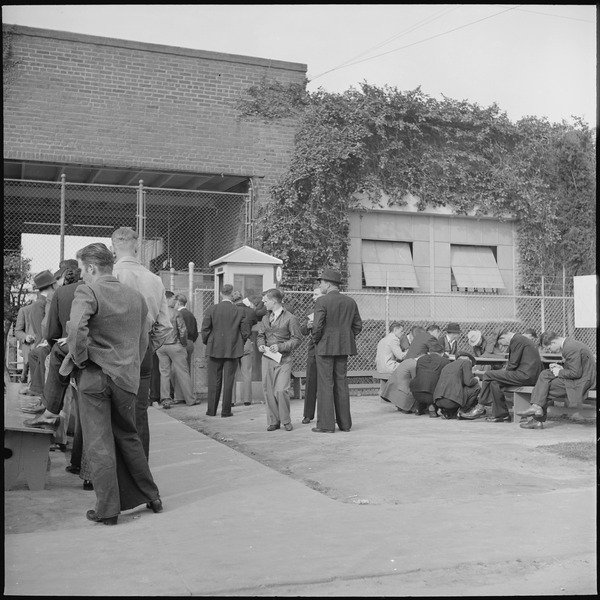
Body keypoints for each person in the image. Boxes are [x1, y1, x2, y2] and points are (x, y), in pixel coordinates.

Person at [64, 242, 162, 525]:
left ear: (92, 268)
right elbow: (143, 341)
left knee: (99, 444)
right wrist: (128, 366)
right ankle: (151, 495)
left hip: (95, 376)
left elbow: (76, 329)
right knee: (129, 437)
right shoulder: (136, 297)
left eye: (82, 269)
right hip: (125, 378)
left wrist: (81, 361)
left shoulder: (89, 291)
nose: (81, 275)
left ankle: (107, 510)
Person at [111, 226, 172, 459]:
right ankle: (140, 472)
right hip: (143, 346)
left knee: (111, 412)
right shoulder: (155, 280)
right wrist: (147, 344)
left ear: (113, 246)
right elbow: (165, 326)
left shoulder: (109, 277)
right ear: (136, 246)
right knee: (139, 413)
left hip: (113, 348)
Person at [311, 268, 363, 433]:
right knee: (341, 383)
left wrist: (316, 340)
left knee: (326, 384)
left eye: (321, 282)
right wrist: (345, 338)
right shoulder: (350, 302)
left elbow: (317, 326)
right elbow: (357, 326)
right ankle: (345, 424)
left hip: (325, 347)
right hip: (343, 347)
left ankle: (326, 425)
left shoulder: (322, 301)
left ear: (327, 283)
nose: (320, 285)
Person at [518, 331, 596, 430]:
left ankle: (536, 415)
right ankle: (536, 408)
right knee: (545, 374)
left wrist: (559, 372)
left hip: (583, 381)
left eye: (549, 348)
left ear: (554, 342)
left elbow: (576, 373)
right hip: (581, 377)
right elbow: (576, 368)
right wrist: (560, 368)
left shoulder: (570, 348)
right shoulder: (570, 344)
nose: (550, 351)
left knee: (544, 388)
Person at [459, 330, 542, 422]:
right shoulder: (519, 339)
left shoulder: (517, 340)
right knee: (494, 383)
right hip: (527, 374)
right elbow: (514, 364)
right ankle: (502, 415)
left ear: (503, 337)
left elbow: (513, 364)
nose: (501, 346)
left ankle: (480, 406)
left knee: (488, 374)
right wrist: (501, 373)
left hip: (526, 375)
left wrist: (501, 372)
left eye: (500, 343)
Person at [201, 283, 250, 417]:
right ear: (232, 293)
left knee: (213, 380)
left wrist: (208, 342)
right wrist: (239, 342)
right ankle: (226, 410)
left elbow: (205, 329)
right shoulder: (240, 311)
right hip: (232, 348)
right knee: (229, 380)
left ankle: (211, 410)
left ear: (221, 293)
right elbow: (245, 332)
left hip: (214, 348)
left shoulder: (212, 309)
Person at [257, 288, 302, 431]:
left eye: (265, 301)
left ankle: (286, 420)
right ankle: (273, 421)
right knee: (268, 390)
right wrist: (260, 345)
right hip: (267, 357)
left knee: (281, 389)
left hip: (284, 358)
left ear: (273, 301)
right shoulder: (265, 318)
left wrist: (281, 346)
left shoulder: (290, 318)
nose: (263, 303)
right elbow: (260, 335)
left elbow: (297, 339)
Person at [18, 269, 58, 400]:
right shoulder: (40, 305)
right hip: (43, 346)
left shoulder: (42, 303)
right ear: (52, 285)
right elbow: (42, 333)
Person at [156, 293, 196, 409]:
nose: (175, 301)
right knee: (183, 372)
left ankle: (165, 400)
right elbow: (183, 331)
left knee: (164, 373)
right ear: (168, 299)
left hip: (161, 346)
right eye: (173, 299)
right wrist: (183, 344)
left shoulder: (158, 313)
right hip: (175, 345)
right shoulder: (176, 313)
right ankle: (190, 399)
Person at [409, 341, 451, 417]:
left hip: (416, 393)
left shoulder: (420, 359)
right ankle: (432, 406)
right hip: (432, 395)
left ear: (429, 352)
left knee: (424, 381)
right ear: (442, 353)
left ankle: (419, 407)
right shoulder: (445, 361)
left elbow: (418, 374)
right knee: (437, 383)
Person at [232, 291, 259, 406]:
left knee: (231, 373)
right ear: (242, 299)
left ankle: (231, 400)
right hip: (246, 342)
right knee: (247, 372)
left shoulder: (231, 311)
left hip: (232, 343)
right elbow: (255, 323)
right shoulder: (250, 311)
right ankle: (247, 399)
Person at [433, 352, 481, 419]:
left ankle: (448, 412)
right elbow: (469, 382)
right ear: (469, 359)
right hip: (451, 401)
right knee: (476, 387)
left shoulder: (447, 365)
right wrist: (476, 379)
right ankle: (463, 411)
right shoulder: (466, 362)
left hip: (438, 401)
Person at [300, 287, 323, 424]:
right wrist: (308, 326)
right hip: (313, 349)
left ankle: (325, 414)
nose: (313, 297)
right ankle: (308, 415)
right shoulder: (310, 312)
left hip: (326, 348)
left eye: (316, 294)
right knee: (310, 381)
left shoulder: (329, 311)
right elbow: (302, 330)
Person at [174, 293, 198, 374]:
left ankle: (179, 386)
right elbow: (195, 332)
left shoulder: (177, 314)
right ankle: (187, 385)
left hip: (181, 342)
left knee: (179, 368)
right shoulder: (191, 314)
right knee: (187, 368)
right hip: (190, 342)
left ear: (178, 302)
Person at [14, 302, 36, 384]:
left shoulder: (51, 309)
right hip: (30, 349)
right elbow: (18, 331)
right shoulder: (25, 310)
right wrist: (25, 337)